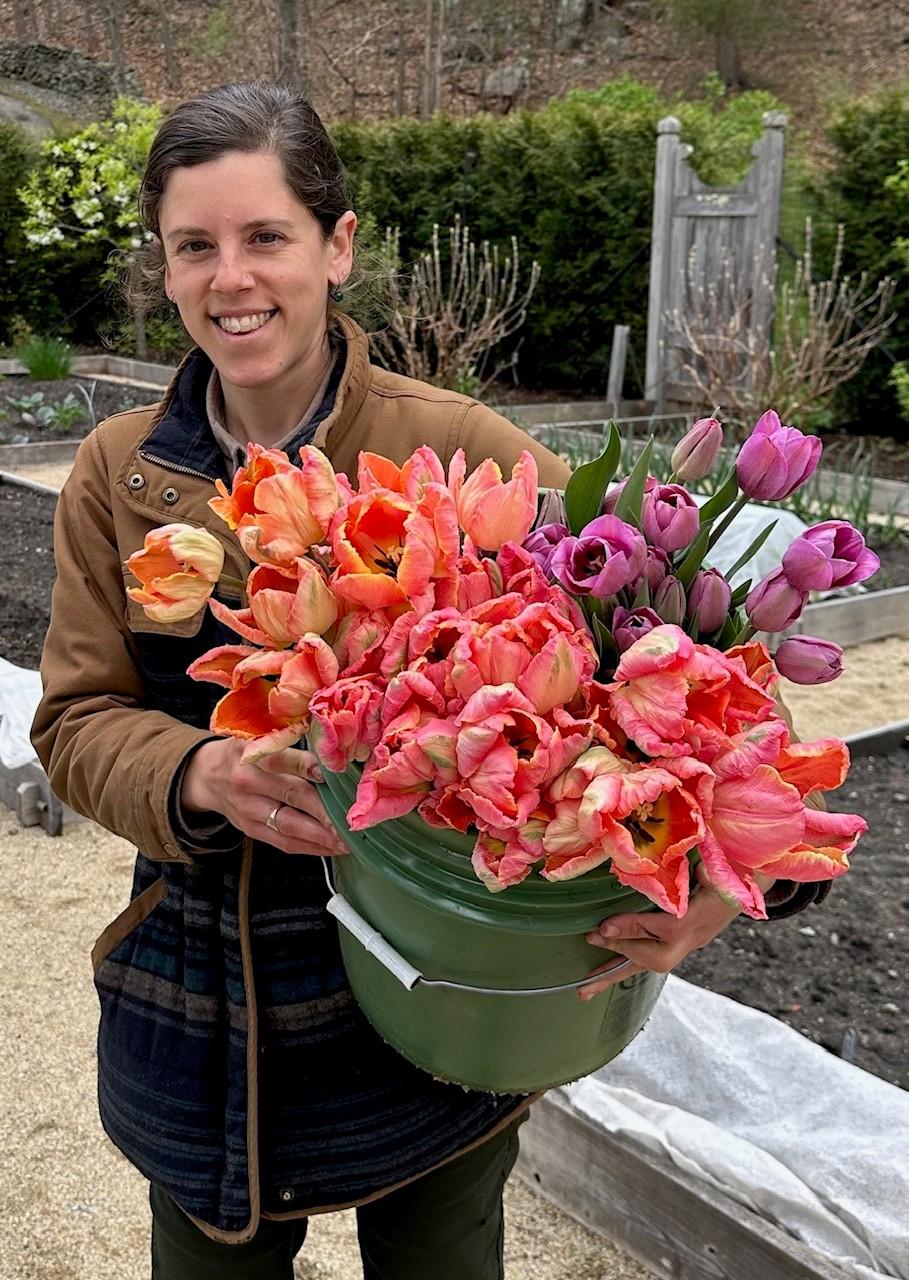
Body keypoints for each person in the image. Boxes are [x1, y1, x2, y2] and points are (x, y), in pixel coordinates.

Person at [31, 81, 827, 1280]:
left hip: (441, 986)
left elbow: (699, 685)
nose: (230, 278)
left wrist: (722, 882)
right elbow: (77, 715)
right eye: (195, 245)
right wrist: (195, 768)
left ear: (338, 245)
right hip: (200, 988)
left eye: (266, 238)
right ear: (166, 263)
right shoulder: (123, 471)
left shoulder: (469, 454)